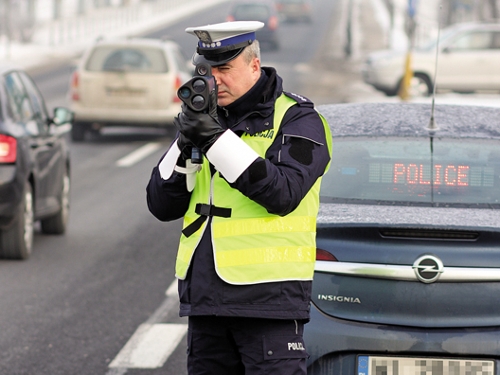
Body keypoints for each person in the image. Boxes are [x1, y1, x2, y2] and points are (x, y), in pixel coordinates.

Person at [146, 21, 332, 375]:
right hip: (206, 301)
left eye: (225, 68)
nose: (214, 80)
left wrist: (214, 138)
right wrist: (187, 142)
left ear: (254, 65)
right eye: (207, 70)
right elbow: (160, 204)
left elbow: (283, 193)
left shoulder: (298, 119)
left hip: (269, 302)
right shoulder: (204, 119)